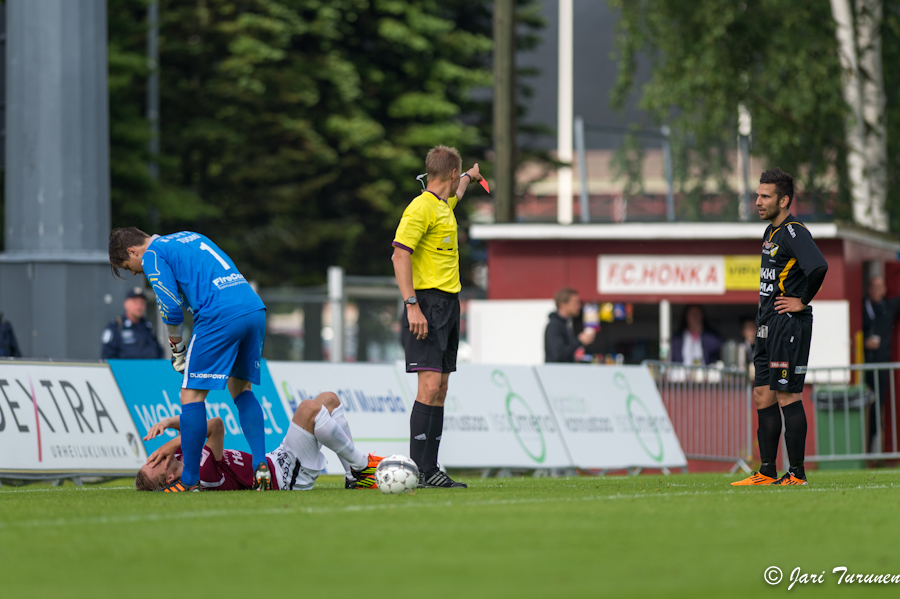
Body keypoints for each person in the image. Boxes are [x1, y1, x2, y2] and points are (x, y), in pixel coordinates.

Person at [108, 227, 270, 492]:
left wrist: (177, 347)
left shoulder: (152, 255)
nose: (136, 273)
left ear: (132, 251)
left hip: (220, 314)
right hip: (253, 308)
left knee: (190, 396)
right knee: (241, 390)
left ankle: (190, 479)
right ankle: (261, 465)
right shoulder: (189, 236)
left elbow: (170, 307)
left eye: (130, 267)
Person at [391, 145, 481, 489]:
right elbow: (400, 256)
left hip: (449, 305)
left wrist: (471, 177)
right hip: (426, 305)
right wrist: (411, 304)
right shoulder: (420, 208)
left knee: (441, 387)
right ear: (451, 172)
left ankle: (431, 469)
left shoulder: (444, 203)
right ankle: (416, 470)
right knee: (428, 387)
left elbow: (457, 192)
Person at [732, 168, 828, 487]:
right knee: (763, 395)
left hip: (788, 324)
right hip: (767, 325)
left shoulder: (794, 231)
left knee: (787, 394)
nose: (757, 201)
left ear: (784, 200)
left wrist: (801, 300)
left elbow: (818, 267)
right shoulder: (770, 233)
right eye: (757, 195)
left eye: (765, 196)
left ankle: (797, 474)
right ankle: (767, 471)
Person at [135, 391, 383, 492]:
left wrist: (168, 423)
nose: (155, 456)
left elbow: (203, 426)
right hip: (284, 478)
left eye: (150, 458)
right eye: (153, 463)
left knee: (328, 400)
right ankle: (364, 467)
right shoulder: (202, 478)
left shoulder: (183, 459)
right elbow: (216, 426)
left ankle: (354, 478)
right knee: (309, 409)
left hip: (277, 459)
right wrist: (173, 442)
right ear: (169, 479)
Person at [862, 276, 900, 452]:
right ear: (868, 289)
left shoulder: (889, 307)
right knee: (861, 405)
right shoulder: (861, 307)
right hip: (860, 367)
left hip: (882, 367)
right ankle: (861, 447)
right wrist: (863, 343)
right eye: (873, 286)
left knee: (878, 407)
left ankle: (872, 449)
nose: (876, 290)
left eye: (879, 287)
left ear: (885, 289)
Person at [101, 286, 164, 359]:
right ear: (126, 304)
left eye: (142, 303)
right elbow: (107, 357)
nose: (139, 307)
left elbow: (159, 353)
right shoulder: (117, 327)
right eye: (135, 302)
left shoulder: (148, 328)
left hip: (149, 369)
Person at [544, 287, 597, 363]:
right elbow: (558, 354)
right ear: (563, 305)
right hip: (555, 374)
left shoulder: (565, 324)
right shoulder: (554, 326)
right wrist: (580, 341)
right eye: (575, 303)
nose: (578, 306)